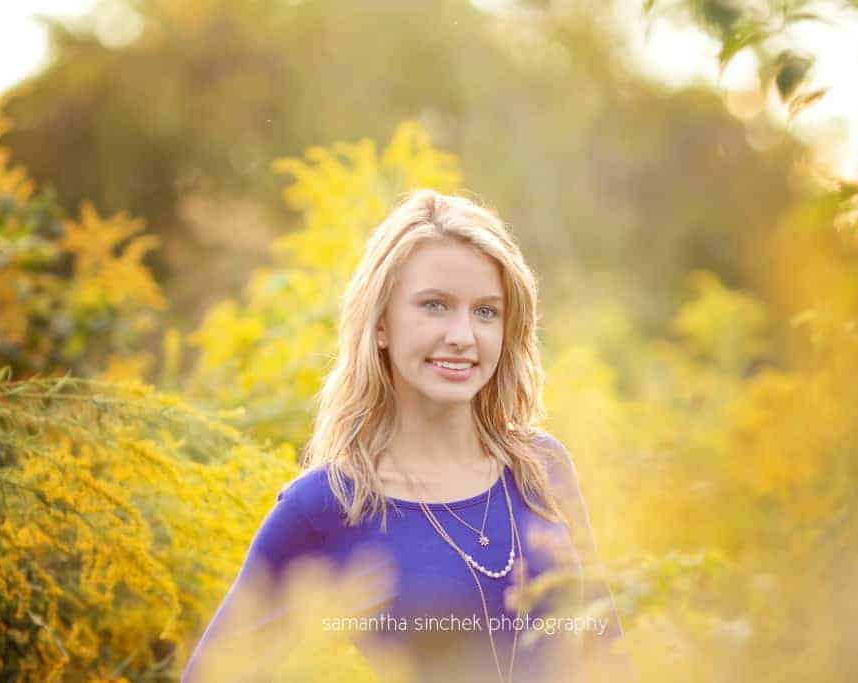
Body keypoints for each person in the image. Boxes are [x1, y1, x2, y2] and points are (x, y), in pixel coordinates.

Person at [181, 189, 634, 682]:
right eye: (435, 306)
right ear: (380, 325)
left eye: (486, 311)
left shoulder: (542, 467)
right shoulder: (326, 507)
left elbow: (608, 654)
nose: (463, 335)